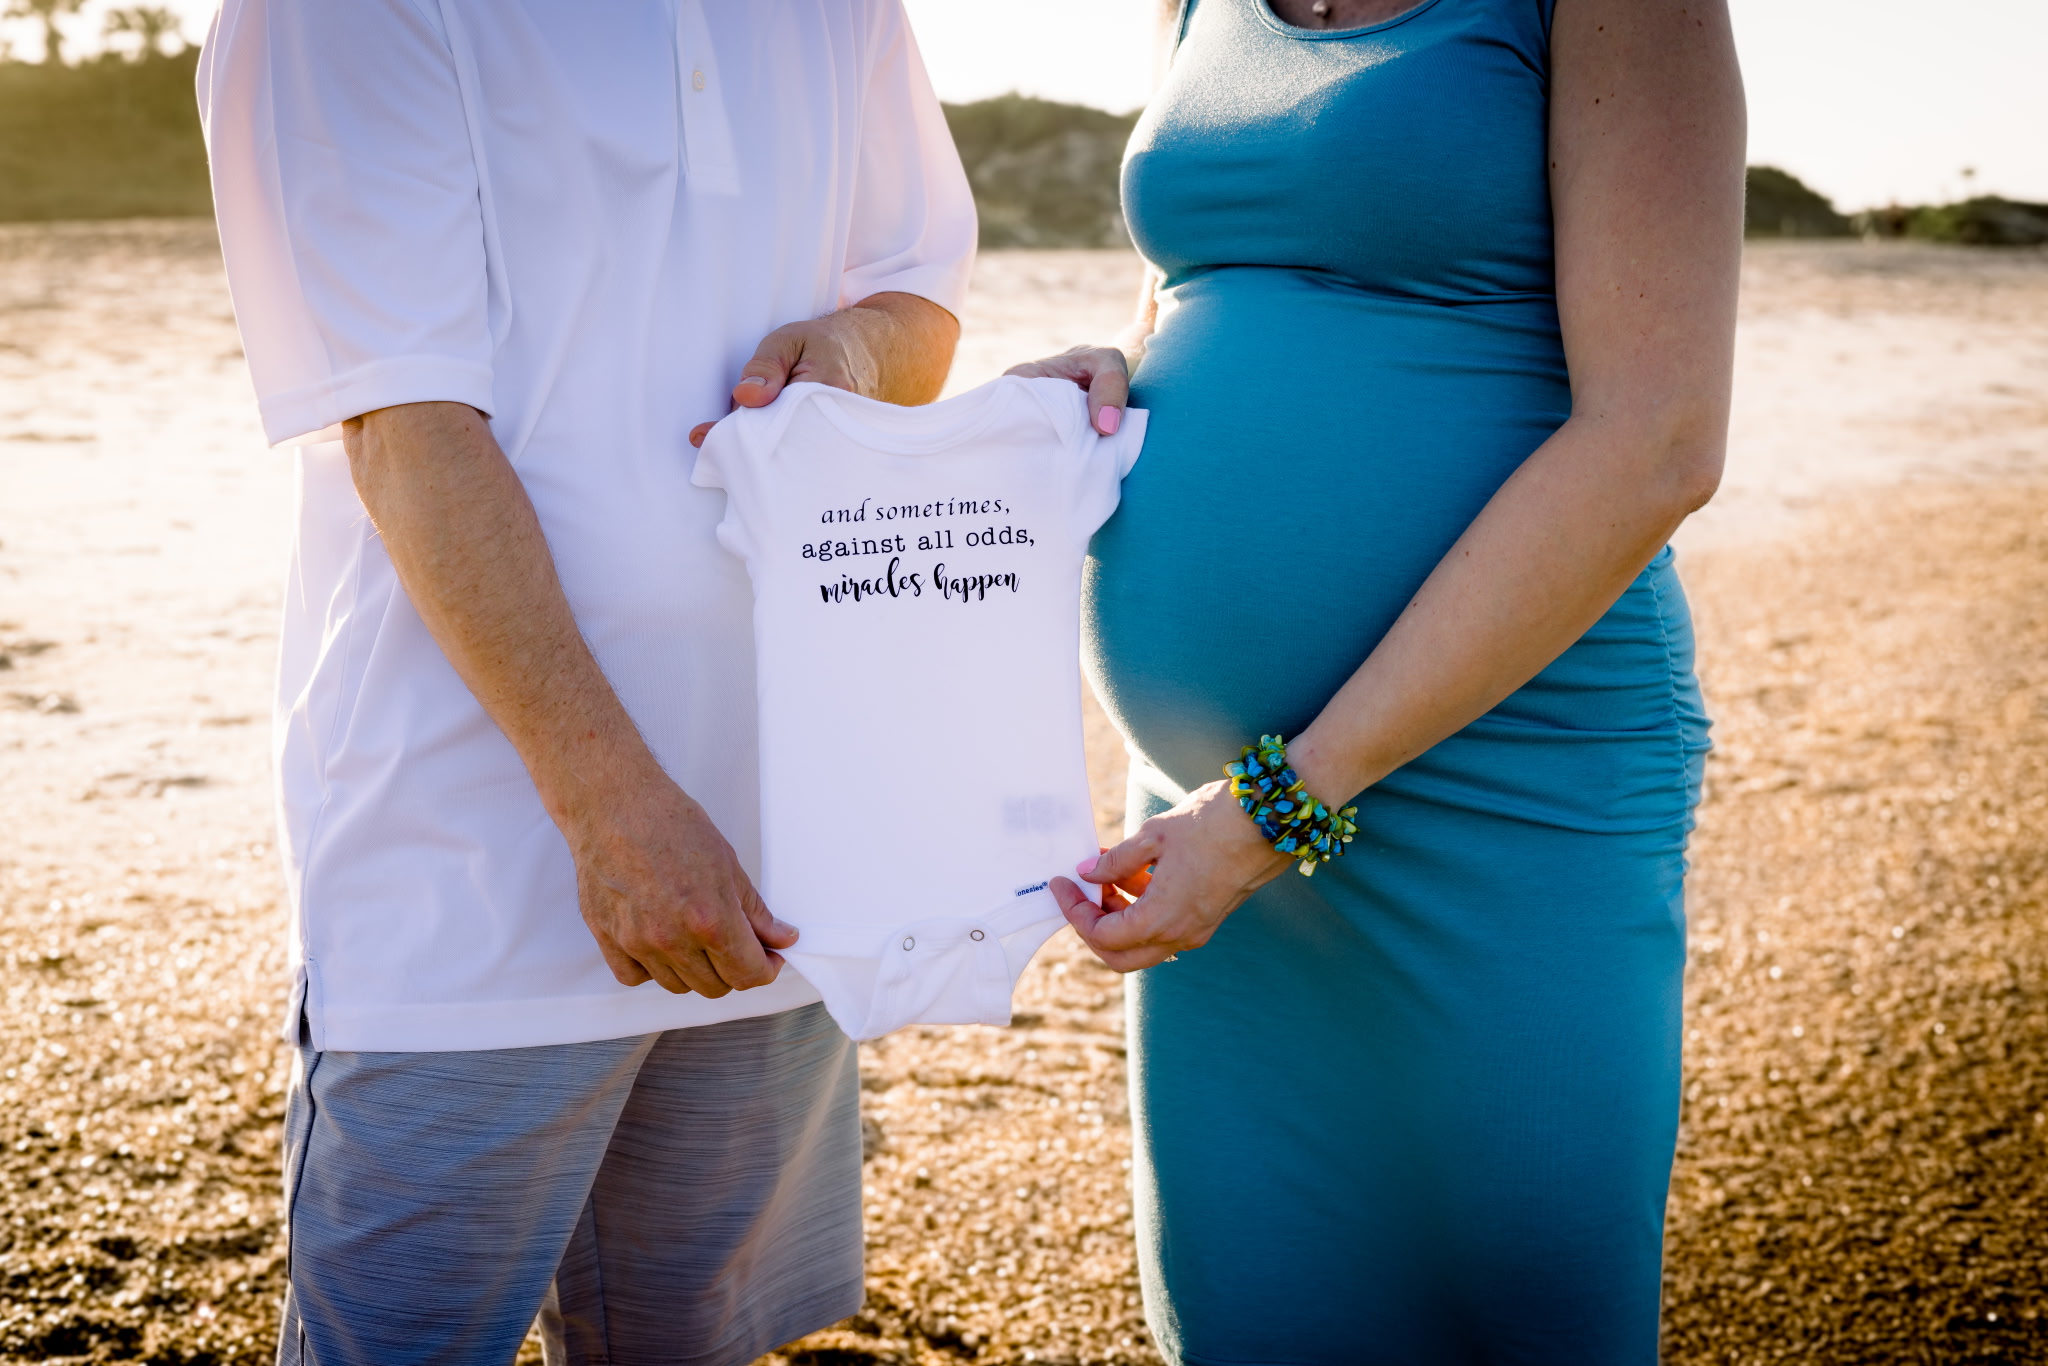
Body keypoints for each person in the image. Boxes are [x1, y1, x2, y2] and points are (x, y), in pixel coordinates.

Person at [196, 2, 973, 1361]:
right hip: (475, 872)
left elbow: (914, 301)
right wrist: (613, 814)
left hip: (779, 850)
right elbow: (404, 425)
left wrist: (850, 355)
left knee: (691, 1340)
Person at [1013, 0, 1742, 1360]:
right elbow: (1202, 285)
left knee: (1516, 1308)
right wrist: (1116, 375)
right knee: (1254, 1302)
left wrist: (1277, 808)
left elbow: (1659, 439)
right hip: (1210, 807)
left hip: (1507, 783)